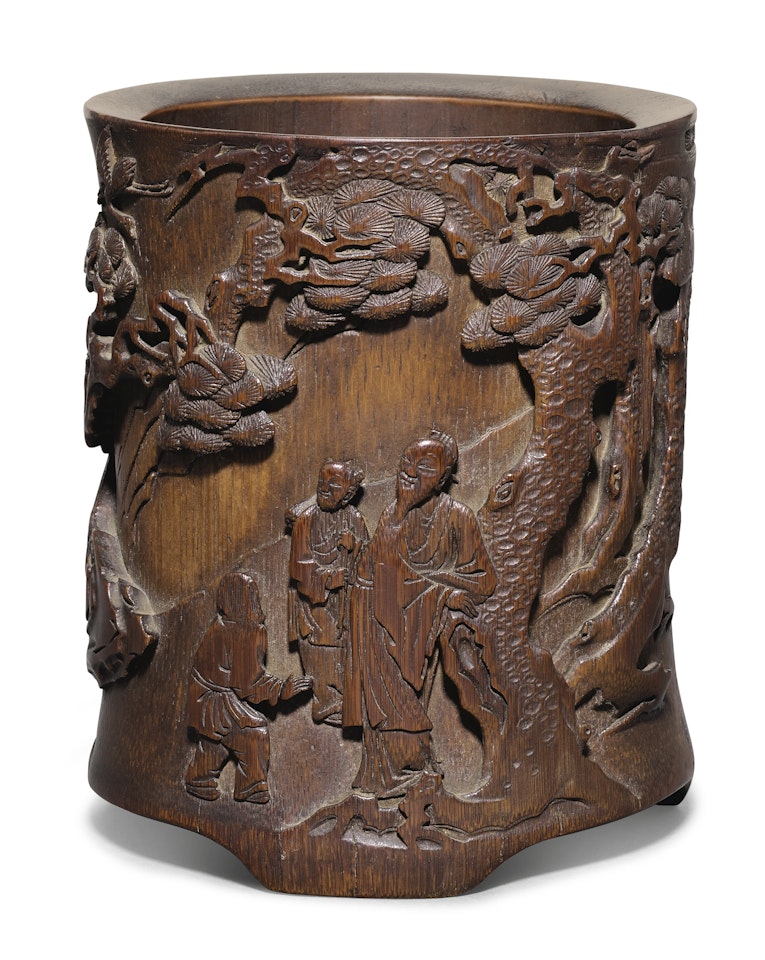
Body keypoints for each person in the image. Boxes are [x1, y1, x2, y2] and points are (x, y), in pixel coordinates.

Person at [343, 430, 502, 798]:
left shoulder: (458, 517)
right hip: (379, 621)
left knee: (405, 704)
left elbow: (485, 581)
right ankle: (384, 775)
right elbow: (376, 572)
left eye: (424, 466)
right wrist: (442, 590)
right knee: (385, 699)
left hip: (421, 627)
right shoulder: (392, 515)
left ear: (443, 479)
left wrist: (440, 590)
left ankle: (410, 768)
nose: (410, 471)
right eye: (406, 462)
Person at [185, 572, 311, 804]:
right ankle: (251, 786)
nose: (257, 600)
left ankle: (200, 778)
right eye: (252, 595)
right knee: (253, 732)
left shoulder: (221, 625)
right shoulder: (246, 630)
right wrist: (282, 689)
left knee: (218, 739)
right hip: (215, 699)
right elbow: (247, 684)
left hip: (203, 697)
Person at [287, 460, 368, 725]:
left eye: (333, 484)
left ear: (348, 493)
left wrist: (355, 546)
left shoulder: (355, 519)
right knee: (322, 652)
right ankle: (325, 702)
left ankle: (348, 701)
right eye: (322, 482)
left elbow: (370, 562)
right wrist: (330, 578)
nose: (324, 488)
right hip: (315, 605)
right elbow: (299, 567)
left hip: (346, 605)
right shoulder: (306, 521)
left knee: (347, 651)